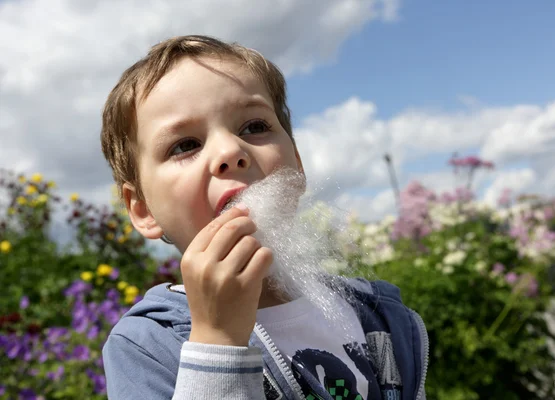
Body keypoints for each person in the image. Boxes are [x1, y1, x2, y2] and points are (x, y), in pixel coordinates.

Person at [100, 34, 428, 400]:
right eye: (185, 145)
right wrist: (217, 341)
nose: (230, 150)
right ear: (142, 209)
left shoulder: (378, 315)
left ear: (297, 165)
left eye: (254, 127)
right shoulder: (148, 344)